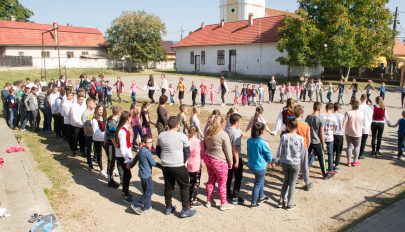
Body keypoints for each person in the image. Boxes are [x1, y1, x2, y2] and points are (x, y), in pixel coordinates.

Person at [156, 116, 196, 218]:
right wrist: (182, 161)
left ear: (168, 125)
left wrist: (163, 158)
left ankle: (168, 207)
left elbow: (158, 150)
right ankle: (185, 209)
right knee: (184, 185)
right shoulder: (182, 136)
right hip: (177, 164)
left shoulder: (161, 135)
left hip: (165, 164)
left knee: (169, 185)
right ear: (178, 125)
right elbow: (187, 151)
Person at [274, 119, 306, 211]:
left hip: (285, 162)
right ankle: (289, 204)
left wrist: (276, 160)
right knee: (292, 184)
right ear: (297, 127)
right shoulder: (300, 138)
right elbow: (302, 152)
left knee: (285, 181)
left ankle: (280, 201)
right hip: (295, 163)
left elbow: (279, 149)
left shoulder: (284, 136)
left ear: (288, 127)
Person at [204, 115, 233, 211]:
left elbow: (205, 144)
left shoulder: (208, 131)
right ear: (221, 123)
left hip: (208, 158)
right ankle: (223, 203)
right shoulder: (223, 134)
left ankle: (209, 200)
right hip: (219, 160)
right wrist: (230, 161)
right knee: (222, 182)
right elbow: (228, 150)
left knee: (211, 179)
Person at [130, 137, 160, 214]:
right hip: (146, 175)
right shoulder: (147, 152)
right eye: (149, 142)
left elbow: (135, 159)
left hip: (142, 175)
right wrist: (162, 166)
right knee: (149, 192)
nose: (151, 144)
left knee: (146, 191)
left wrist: (130, 166)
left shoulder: (140, 151)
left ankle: (147, 206)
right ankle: (136, 204)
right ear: (143, 143)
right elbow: (153, 163)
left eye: (151, 142)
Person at [247, 122, 272, 207]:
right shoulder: (262, 143)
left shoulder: (249, 140)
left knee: (260, 180)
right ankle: (253, 203)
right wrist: (270, 161)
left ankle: (261, 196)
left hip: (251, 165)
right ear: (262, 131)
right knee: (257, 184)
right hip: (259, 167)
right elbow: (269, 155)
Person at [306, 102, 331, 179]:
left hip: (309, 141)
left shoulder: (308, 117)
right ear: (319, 109)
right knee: (321, 158)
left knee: (306, 157)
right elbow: (321, 133)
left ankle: (304, 172)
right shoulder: (320, 119)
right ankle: (324, 174)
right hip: (317, 142)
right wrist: (323, 143)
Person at [225, 113, 245, 205]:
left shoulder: (227, 129)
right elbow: (235, 148)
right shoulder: (236, 132)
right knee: (238, 177)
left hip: (227, 156)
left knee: (229, 176)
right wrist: (237, 161)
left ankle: (227, 192)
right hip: (235, 156)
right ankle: (235, 195)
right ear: (236, 122)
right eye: (239, 121)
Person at [115, 111, 134, 203]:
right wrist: (127, 160)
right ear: (127, 119)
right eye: (130, 118)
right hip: (123, 156)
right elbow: (122, 147)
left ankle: (125, 192)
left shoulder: (123, 128)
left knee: (127, 175)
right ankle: (125, 194)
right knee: (128, 175)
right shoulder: (122, 131)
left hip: (123, 155)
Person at [294, 105, 312, 191]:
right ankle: (307, 182)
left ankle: (293, 180)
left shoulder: (292, 123)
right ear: (302, 115)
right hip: (303, 146)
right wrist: (307, 147)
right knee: (304, 165)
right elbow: (309, 138)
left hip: (293, 146)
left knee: (294, 163)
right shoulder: (305, 124)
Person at [105, 105, 122, 188]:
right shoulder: (112, 122)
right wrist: (116, 146)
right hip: (111, 144)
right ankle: (110, 180)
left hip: (114, 143)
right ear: (118, 113)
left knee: (115, 161)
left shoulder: (115, 119)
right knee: (111, 161)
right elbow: (112, 137)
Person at [343, 100, 365, 167]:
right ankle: (355, 161)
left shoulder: (348, 112)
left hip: (349, 132)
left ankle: (349, 162)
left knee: (349, 147)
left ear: (352, 105)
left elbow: (344, 122)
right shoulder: (361, 113)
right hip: (358, 132)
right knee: (357, 147)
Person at [186, 126, 204, 208]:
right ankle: (193, 200)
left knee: (190, 181)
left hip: (189, 163)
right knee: (196, 182)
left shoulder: (187, 141)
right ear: (196, 133)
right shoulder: (199, 142)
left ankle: (189, 198)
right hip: (196, 164)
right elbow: (202, 153)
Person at [320, 103, 337, 175]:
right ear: (332, 108)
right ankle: (330, 169)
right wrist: (332, 130)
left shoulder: (321, 115)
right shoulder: (334, 117)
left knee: (317, 153)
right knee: (330, 154)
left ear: (326, 108)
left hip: (322, 136)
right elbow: (335, 127)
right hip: (329, 136)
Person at [92, 104, 108, 178]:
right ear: (97, 110)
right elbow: (96, 131)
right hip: (98, 139)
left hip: (104, 139)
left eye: (102, 109)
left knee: (109, 153)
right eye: (99, 109)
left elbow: (106, 129)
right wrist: (103, 138)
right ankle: (101, 170)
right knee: (99, 154)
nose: (101, 111)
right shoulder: (94, 119)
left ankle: (111, 168)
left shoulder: (104, 118)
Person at [82, 98, 96, 169]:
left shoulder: (94, 111)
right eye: (93, 103)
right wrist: (88, 133)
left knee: (96, 147)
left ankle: (95, 158)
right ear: (88, 104)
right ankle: (89, 161)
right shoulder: (85, 113)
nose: (94, 104)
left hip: (95, 133)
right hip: (89, 134)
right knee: (89, 148)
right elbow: (85, 125)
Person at [358, 94, 373, 159]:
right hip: (366, 125)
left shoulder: (358, 107)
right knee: (363, 141)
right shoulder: (369, 108)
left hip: (358, 125)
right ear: (366, 99)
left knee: (357, 140)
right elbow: (370, 118)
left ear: (361, 98)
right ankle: (361, 154)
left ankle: (357, 152)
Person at [333, 103, 345, 170]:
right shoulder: (342, 116)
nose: (341, 110)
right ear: (338, 108)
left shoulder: (332, 115)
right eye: (340, 108)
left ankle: (332, 163)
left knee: (332, 150)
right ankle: (336, 164)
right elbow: (343, 124)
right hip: (340, 134)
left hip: (333, 134)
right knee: (338, 150)